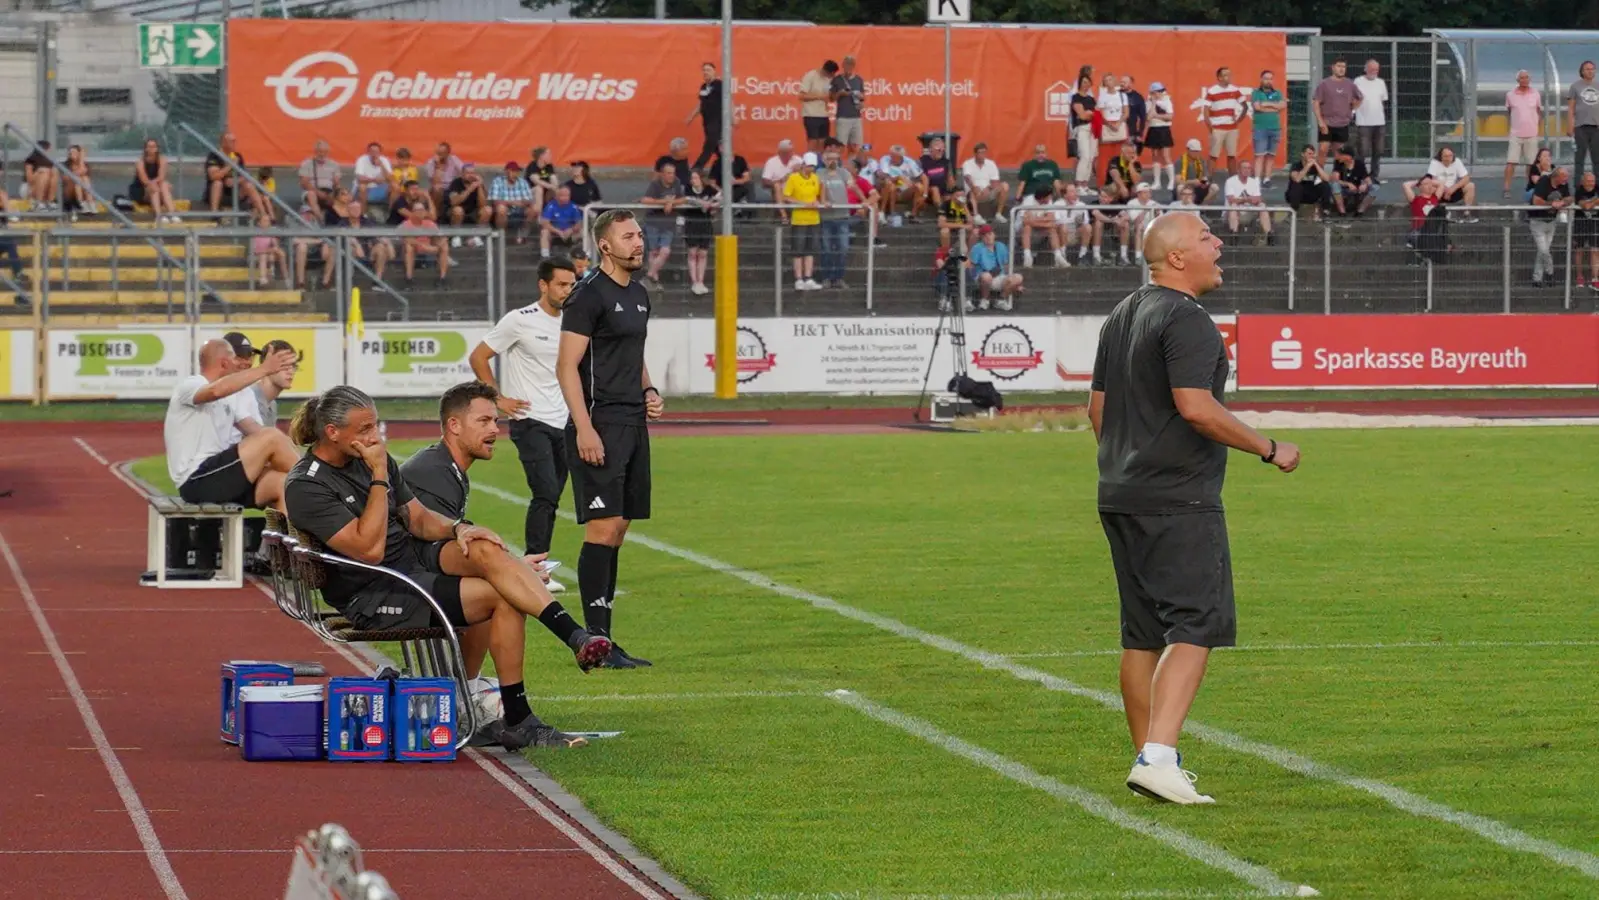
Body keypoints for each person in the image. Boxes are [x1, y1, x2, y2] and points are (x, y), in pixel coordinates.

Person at [1088, 211, 1301, 805]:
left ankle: (1151, 760)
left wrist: (1126, 465)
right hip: (1177, 497)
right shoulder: (1187, 319)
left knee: (1142, 634)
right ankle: (1158, 756)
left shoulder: (1123, 315)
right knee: (1197, 623)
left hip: (1122, 492)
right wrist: (1269, 448)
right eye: (1207, 237)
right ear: (1178, 257)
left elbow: (1097, 411)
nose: (1220, 242)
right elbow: (1196, 407)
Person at [283, 386, 611, 750]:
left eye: (375, 426)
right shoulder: (306, 484)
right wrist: (378, 475)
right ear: (332, 432)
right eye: (364, 429)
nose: (374, 437)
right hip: (375, 590)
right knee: (502, 598)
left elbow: (418, 518)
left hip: (411, 561)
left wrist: (460, 528)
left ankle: (575, 637)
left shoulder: (371, 457)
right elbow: (370, 551)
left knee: (484, 546)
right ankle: (518, 718)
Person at [396, 382, 584, 748]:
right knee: (504, 591)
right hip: (401, 588)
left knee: (503, 584)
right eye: (484, 421)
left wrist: (511, 567)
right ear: (454, 425)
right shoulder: (433, 470)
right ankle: (490, 703)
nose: (495, 430)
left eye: (495, 421)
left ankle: (471, 701)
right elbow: (441, 552)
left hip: (415, 578)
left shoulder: (444, 466)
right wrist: (510, 571)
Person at [556, 210, 666, 669]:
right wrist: (584, 427)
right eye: (628, 236)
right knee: (602, 528)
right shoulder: (586, 296)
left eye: (639, 234)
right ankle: (594, 641)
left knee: (618, 529)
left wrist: (648, 389)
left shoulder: (639, 294)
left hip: (632, 422)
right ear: (605, 245)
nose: (638, 243)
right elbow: (566, 367)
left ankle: (606, 640)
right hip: (598, 422)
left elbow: (633, 353)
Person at [469, 257, 579, 588]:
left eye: (571, 284)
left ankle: (537, 565)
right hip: (529, 420)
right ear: (543, 285)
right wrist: (497, 399)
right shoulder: (520, 320)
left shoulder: (574, 322)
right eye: (561, 284)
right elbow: (478, 356)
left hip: (564, 421)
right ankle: (537, 569)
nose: (567, 290)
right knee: (545, 491)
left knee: (552, 496)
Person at [164, 339, 299, 511]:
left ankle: (290, 538)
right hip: (197, 479)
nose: (241, 363)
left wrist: (280, 450)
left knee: (284, 484)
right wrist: (264, 369)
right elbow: (215, 391)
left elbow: (254, 429)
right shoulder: (191, 385)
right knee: (271, 436)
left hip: (222, 476)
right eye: (235, 358)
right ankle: (327, 486)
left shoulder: (231, 397)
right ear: (224, 362)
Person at [251, 338, 300, 429]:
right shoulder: (248, 399)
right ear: (267, 365)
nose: (291, 371)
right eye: (284, 365)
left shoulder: (272, 404)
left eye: (293, 366)